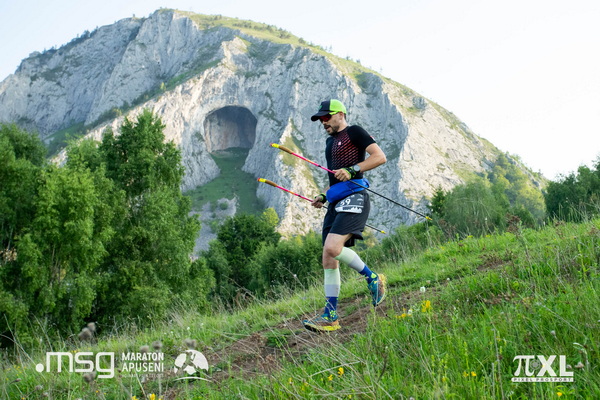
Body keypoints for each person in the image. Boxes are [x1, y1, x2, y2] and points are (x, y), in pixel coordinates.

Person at [303, 99, 387, 333]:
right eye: (320, 119)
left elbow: (379, 157)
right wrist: (324, 195)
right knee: (328, 257)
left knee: (332, 248)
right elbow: (335, 179)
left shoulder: (354, 132)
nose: (323, 122)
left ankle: (373, 278)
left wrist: (353, 169)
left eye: (326, 117)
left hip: (355, 197)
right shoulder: (330, 142)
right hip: (336, 201)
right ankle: (331, 316)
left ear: (340, 114)